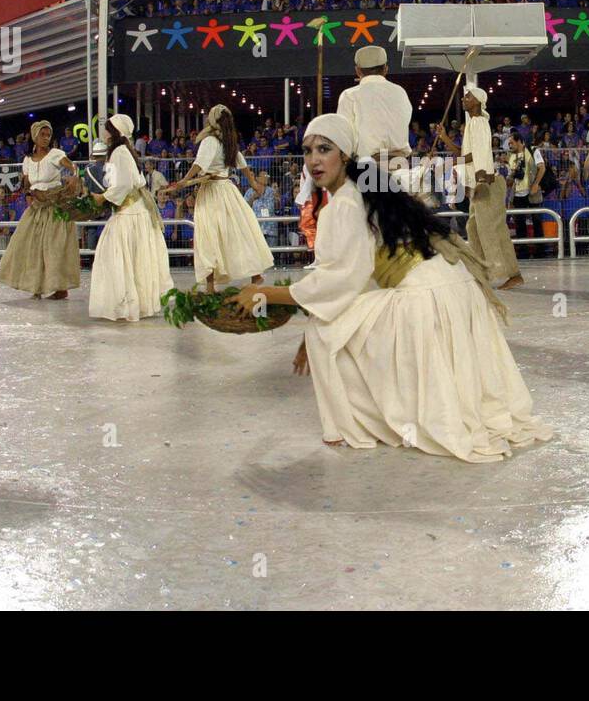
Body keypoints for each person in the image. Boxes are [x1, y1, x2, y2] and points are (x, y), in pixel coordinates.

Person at [226, 113, 552, 462]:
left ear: (346, 156)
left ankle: (353, 424)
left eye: (324, 149)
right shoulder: (371, 190)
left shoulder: (347, 202)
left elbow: (340, 280)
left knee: (325, 331)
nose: (314, 160)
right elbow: (357, 280)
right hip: (455, 291)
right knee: (328, 326)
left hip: (427, 299)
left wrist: (265, 293)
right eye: (307, 151)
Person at [163, 104, 273, 293]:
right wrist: (253, 183)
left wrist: (183, 181)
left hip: (213, 192)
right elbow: (242, 163)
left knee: (209, 237)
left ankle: (211, 286)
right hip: (228, 190)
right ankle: (255, 274)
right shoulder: (229, 141)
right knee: (238, 233)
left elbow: (200, 163)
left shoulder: (211, 141)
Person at [435, 85, 523, 289]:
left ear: (477, 101)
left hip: (486, 184)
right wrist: (444, 137)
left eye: (468, 97)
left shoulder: (479, 122)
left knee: (490, 231)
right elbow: (464, 153)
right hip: (480, 185)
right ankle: (481, 270)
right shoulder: (473, 124)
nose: (464, 99)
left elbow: (478, 154)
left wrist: (480, 179)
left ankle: (506, 273)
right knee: (473, 229)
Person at [88, 114, 175, 321]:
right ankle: (132, 304)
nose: (104, 132)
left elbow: (124, 184)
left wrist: (103, 197)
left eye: (107, 128)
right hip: (132, 209)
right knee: (132, 259)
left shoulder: (119, 152)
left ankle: (127, 305)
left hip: (130, 211)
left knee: (120, 256)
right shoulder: (122, 151)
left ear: (115, 132)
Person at [0, 120, 81, 300]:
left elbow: (73, 166)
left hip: (55, 207)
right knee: (30, 246)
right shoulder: (27, 160)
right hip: (36, 207)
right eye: (42, 135)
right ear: (34, 136)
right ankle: (36, 285)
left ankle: (60, 287)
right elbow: (26, 183)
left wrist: (74, 176)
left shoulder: (56, 154)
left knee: (53, 247)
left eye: (48, 135)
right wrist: (28, 191)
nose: (45, 138)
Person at [335, 45, 413, 160]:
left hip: (369, 166)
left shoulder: (350, 95)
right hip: (400, 164)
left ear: (357, 70)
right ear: (386, 68)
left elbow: (344, 137)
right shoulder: (400, 92)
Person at [505, 132, 546, 259]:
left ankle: (540, 251)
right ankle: (523, 251)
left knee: (537, 221)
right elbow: (511, 176)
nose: (510, 145)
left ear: (519, 141)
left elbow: (542, 168)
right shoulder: (510, 156)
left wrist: (536, 184)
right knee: (519, 223)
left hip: (532, 191)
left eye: (512, 142)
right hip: (517, 193)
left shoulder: (533, 150)